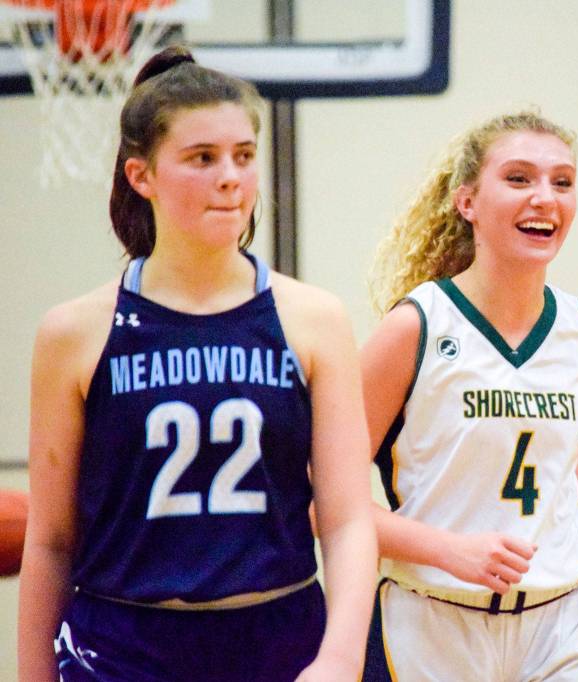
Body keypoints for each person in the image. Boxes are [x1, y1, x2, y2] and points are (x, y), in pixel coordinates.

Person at [18, 46, 377, 682]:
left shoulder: (313, 319)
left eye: (243, 156)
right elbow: (49, 540)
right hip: (121, 646)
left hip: (277, 637)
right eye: (202, 159)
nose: (230, 177)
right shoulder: (74, 332)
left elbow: (347, 521)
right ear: (141, 176)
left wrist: (342, 658)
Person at [360, 110, 578, 681]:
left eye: (562, 182)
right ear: (467, 202)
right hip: (432, 620)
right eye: (519, 178)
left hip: (559, 624)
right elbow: (318, 496)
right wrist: (446, 549)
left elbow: (562, 450)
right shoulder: (417, 327)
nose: (544, 197)